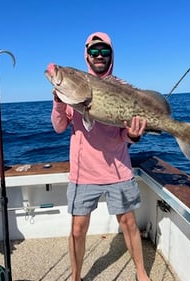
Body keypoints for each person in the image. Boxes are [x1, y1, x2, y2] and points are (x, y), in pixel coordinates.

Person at [51, 32, 150, 281]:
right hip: (82, 173)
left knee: (128, 222)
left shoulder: (122, 87)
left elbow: (123, 136)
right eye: (94, 52)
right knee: (77, 229)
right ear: (87, 56)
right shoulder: (76, 89)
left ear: (111, 56)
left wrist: (134, 136)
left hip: (118, 169)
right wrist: (59, 102)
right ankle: (76, 277)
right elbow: (59, 127)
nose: (99, 56)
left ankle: (141, 273)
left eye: (104, 51)